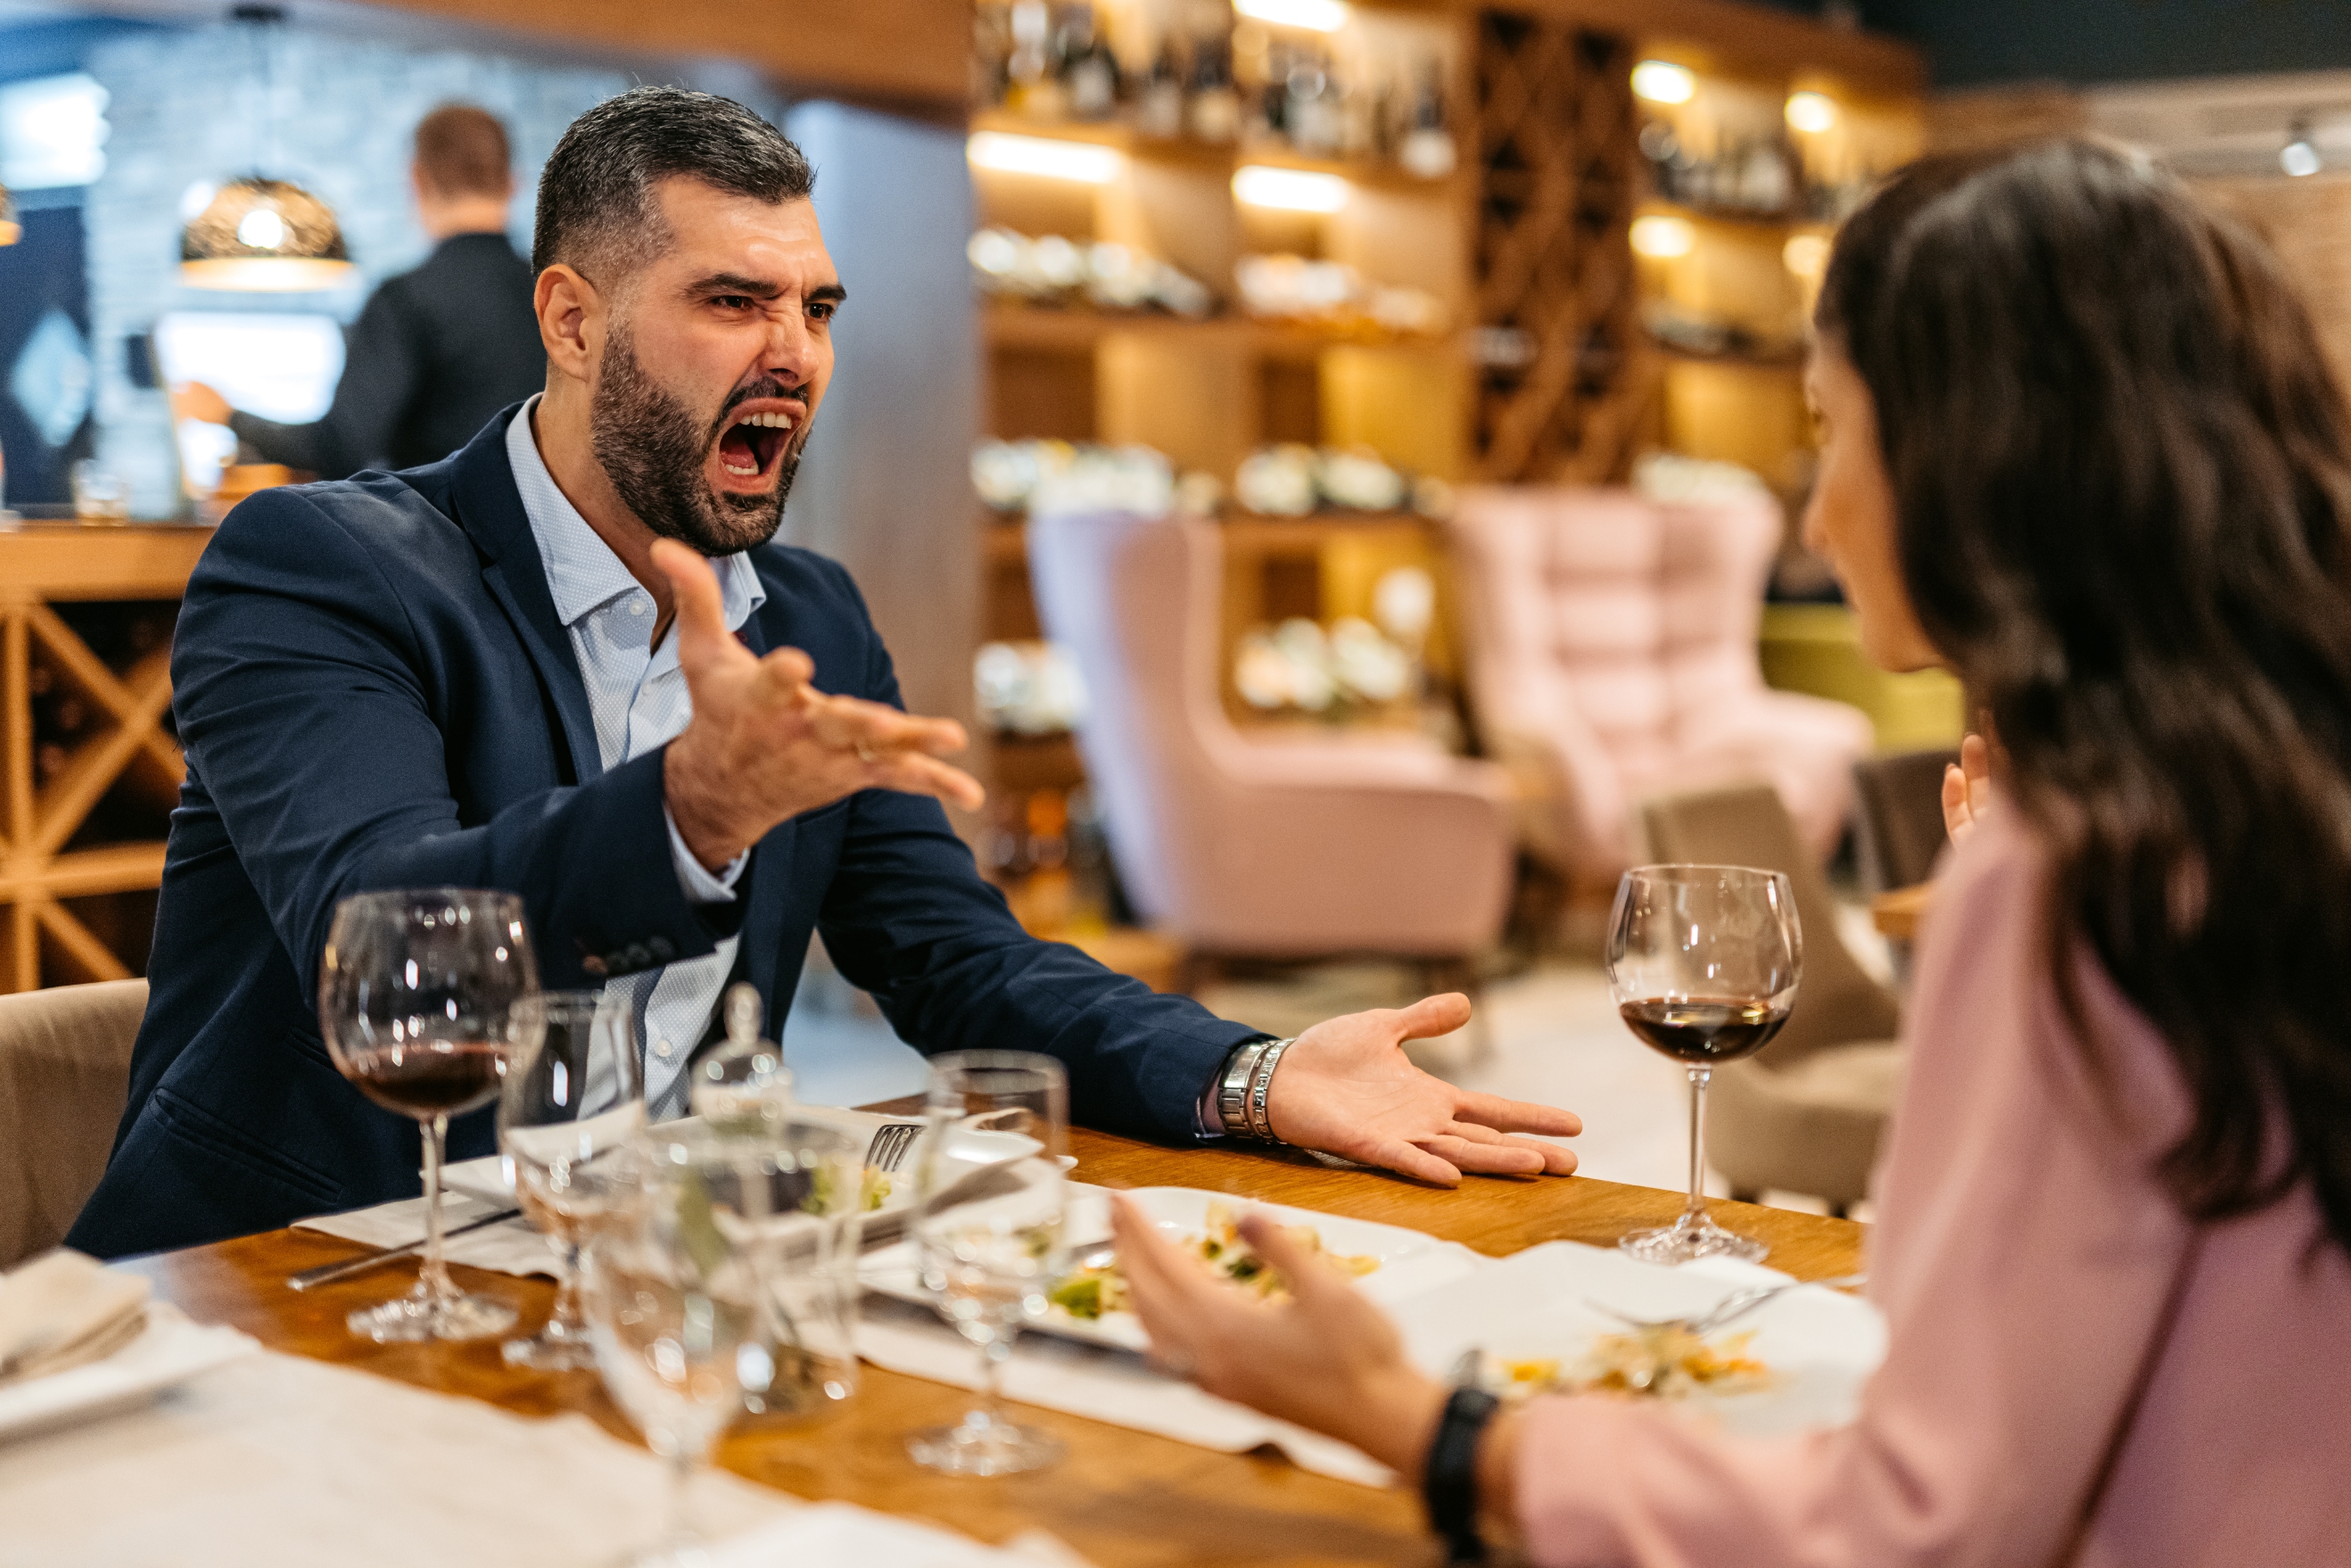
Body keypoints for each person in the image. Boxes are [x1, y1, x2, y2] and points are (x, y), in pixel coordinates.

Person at [1108, 139, 2351, 1564]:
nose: (1815, 516)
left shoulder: (2081, 870)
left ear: (1979, 451)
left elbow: (1925, 1526)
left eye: (1833, 430)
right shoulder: (2273, 789)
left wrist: (1418, 1422)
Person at [67, 87, 1580, 1259]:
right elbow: (381, 940)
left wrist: (1251, 1070)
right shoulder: (320, 566)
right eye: (734, 301)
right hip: (289, 1287)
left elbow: (954, 955)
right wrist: (690, 809)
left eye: (818, 308)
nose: (792, 351)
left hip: (646, 1274)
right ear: (574, 321)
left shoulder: (810, 615)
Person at [171, 103, 545, 478]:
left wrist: (226, 415)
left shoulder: (407, 301)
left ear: (417, 179)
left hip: (440, 531)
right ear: (514, 181)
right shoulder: (554, 296)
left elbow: (340, 447)